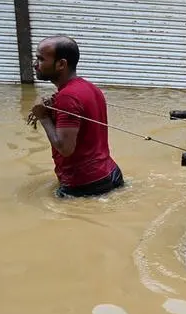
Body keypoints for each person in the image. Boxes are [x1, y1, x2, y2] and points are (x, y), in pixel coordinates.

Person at [29, 36, 123, 197]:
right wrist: (53, 111)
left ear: (61, 64)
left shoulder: (67, 97)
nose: (35, 64)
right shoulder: (89, 87)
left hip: (84, 184)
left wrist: (43, 117)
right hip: (111, 173)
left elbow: (65, 148)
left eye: (40, 59)